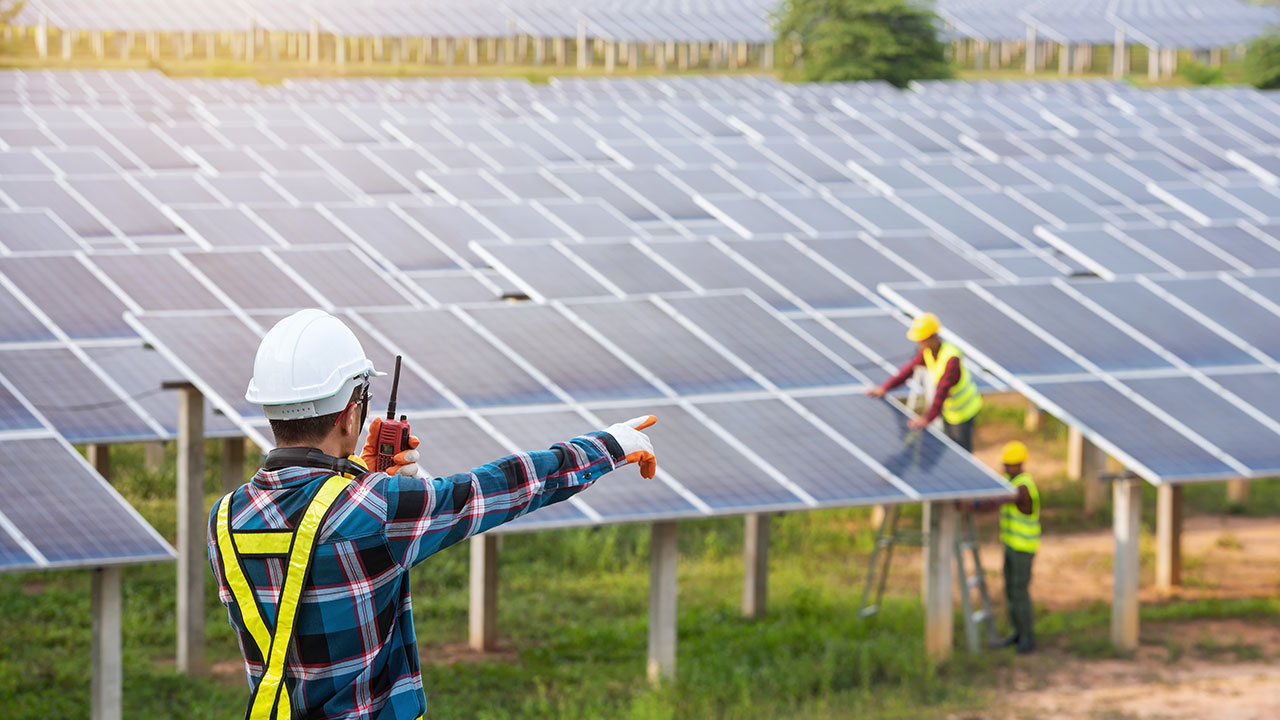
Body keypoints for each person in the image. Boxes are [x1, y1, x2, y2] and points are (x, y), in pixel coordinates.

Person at [207, 308, 658, 720]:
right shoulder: (379, 510)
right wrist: (610, 446)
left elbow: (304, 535)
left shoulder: (224, 521)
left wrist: (360, 475)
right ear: (349, 416)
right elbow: (499, 489)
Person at [864, 312, 982, 451]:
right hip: (949, 411)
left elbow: (942, 390)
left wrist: (927, 419)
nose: (920, 344)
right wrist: (885, 388)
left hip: (964, 411)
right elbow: (908, 371)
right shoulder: (928, 352)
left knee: (962, 451)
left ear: (933, 337)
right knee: (950, 448)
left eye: (922, 340)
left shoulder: (951, 359)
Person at [970, 441, 1040, 654]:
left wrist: (972, 506)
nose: (1006, 468)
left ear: (1020, 464)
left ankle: (1027, 637)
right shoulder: (1009, 481)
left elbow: (1002, 500)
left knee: (1019, 591)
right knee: (1010, 590)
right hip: (1011, 545)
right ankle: (1017, 633)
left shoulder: (1023, 485)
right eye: (1005, 465)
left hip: (1023, 548)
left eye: (1010, 465)